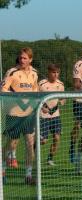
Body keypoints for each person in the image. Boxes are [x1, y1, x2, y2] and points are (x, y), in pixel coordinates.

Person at [1, 47, 38, 184]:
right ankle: (2, 170)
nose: (22, 60)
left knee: (30, 143)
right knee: (11, 144)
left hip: (29, 114)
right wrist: (16, 97)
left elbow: (35, 91)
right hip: (14, 114)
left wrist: (38, 105)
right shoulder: (12, 72)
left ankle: (28, 176)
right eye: (21, 58)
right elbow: (3, 89)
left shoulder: (34, 73)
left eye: (25, 58)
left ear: (30, 59)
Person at [38, 64, 65, 166]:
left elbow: (63, 98)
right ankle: (34, 148)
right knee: (43, 140)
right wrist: (42, 107)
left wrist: (62, 101)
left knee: (57, 138)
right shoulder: (41, 84)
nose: (56, 74)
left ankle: (50, 159)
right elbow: (35, 98)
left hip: (56, 115)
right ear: (48, 72)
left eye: (57, 72)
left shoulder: (60, 84)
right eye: (53, 72)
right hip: (43, 116)